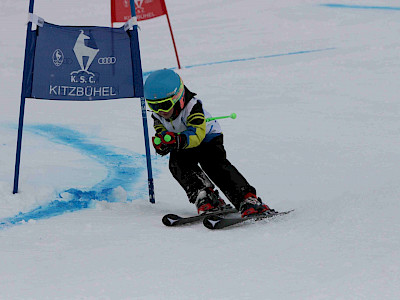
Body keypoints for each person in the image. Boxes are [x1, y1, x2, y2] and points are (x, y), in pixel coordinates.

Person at [144, 69, 272, 217]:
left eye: (165, 105)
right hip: (184, 144)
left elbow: (197, 135)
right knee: (177, 165)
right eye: (154, 106)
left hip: (208, 140)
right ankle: (205, 195)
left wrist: (177, 140)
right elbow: (161, 131)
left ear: (178, 97)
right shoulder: (157, 116)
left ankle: (247, 199)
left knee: (214, 166)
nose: (161, 111)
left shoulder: (193, 108)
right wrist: (162, 144)